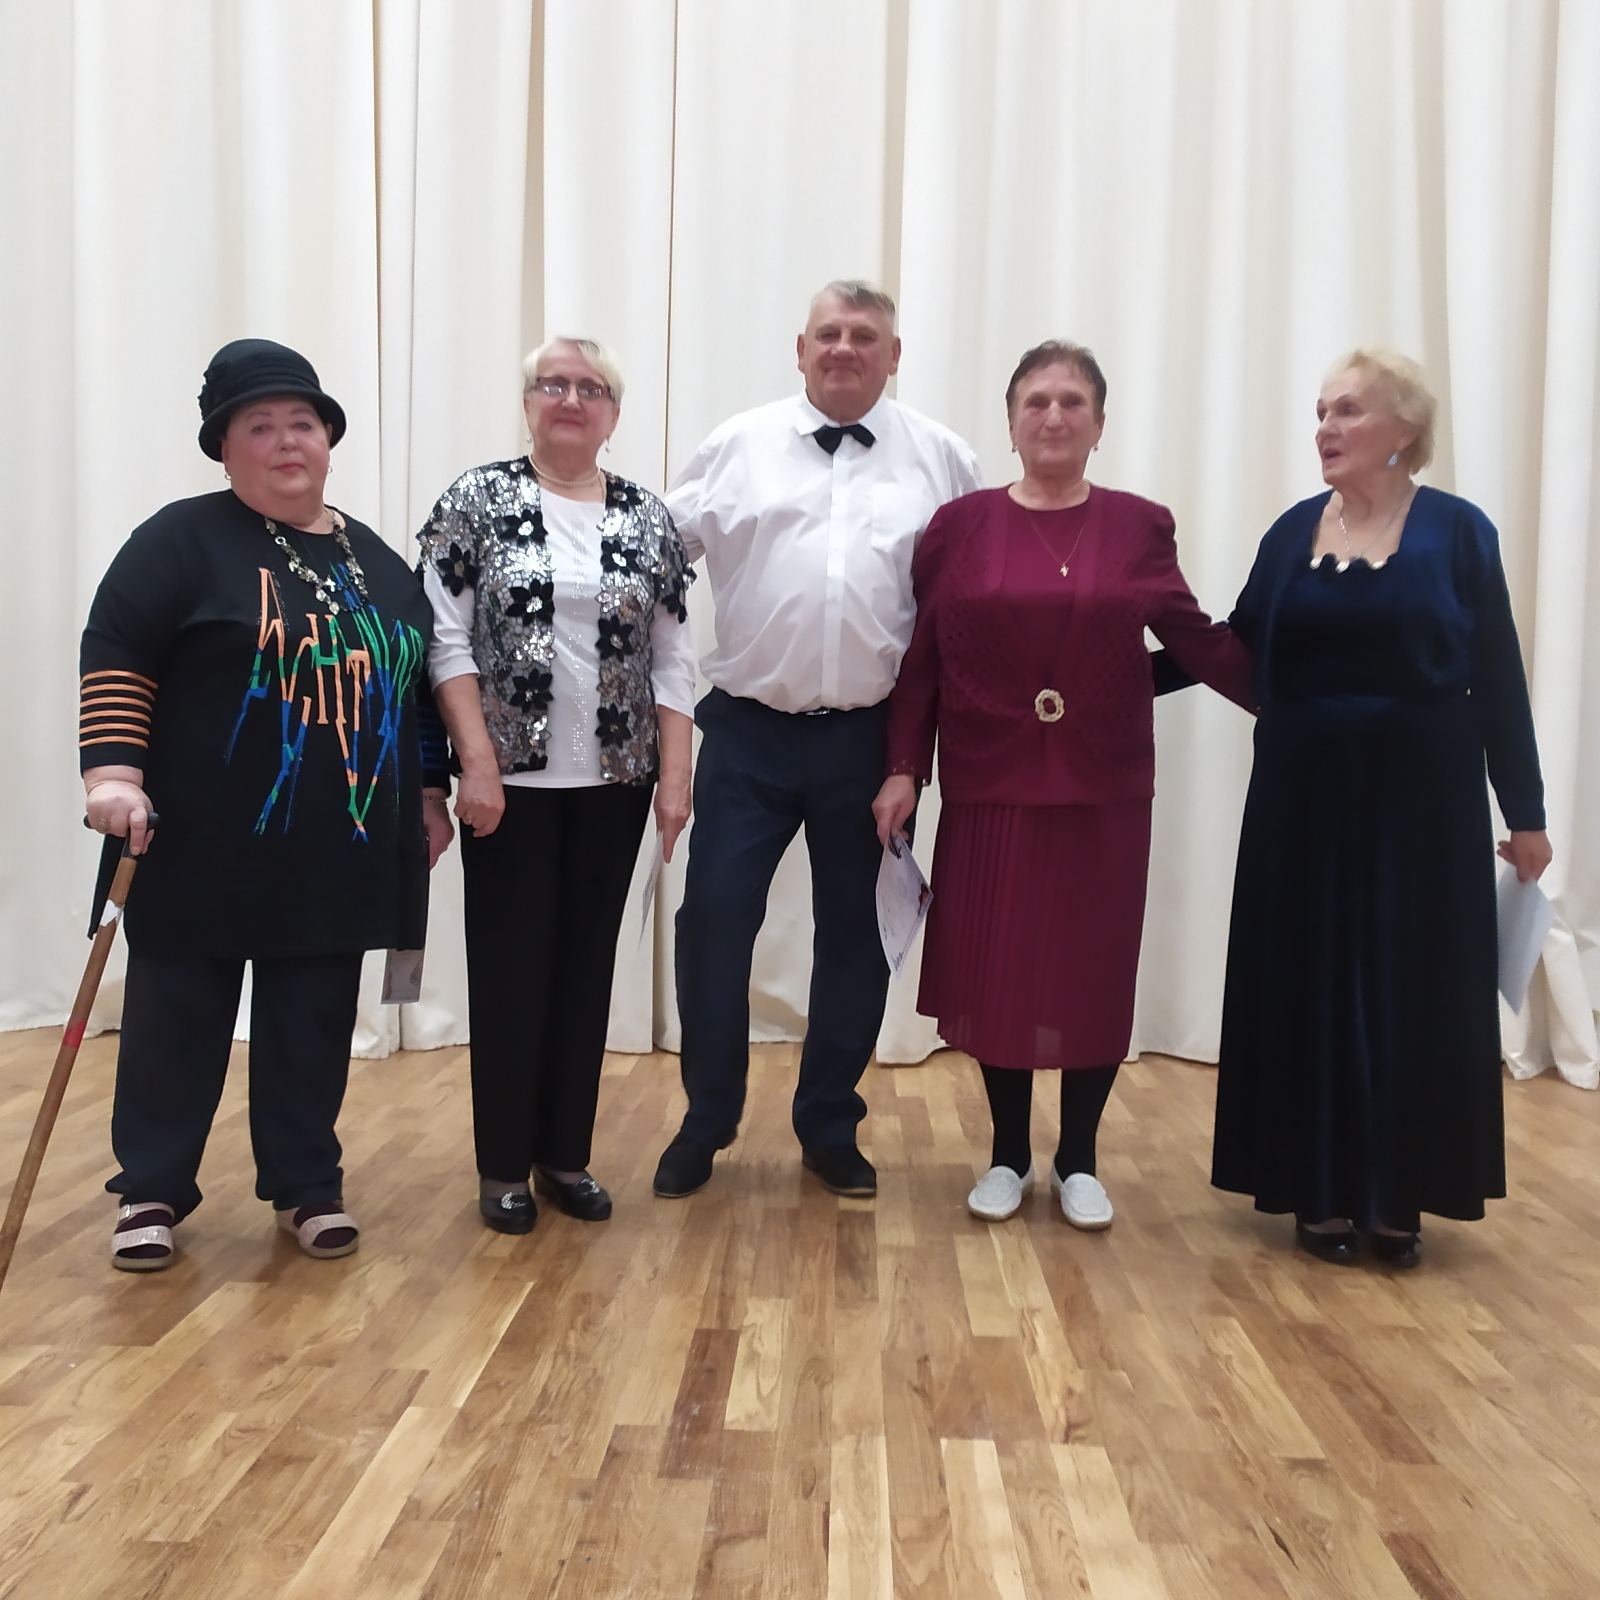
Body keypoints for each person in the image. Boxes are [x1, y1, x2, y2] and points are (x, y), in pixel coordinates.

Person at [80, 338, 453, 1271]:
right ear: (224, 448)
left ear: (328, 440)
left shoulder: (373, 557)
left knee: (312, 1022)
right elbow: (118, 646)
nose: (288, 442)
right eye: (261, 427)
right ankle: (151, 1188)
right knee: (177, 1020)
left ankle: (307, 1186)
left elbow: (412, 683)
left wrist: (428, 787)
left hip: (337, 846)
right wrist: (112, 774)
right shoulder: (180, 539)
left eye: (303, 423)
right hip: (198, 841)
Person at [873, 341, 1253, 1228]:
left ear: (1099, 424)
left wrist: (1295, 693)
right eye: (1036, 401)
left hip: (1102, 785)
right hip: (991, 781)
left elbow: (1192, 639)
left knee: (1092, 968)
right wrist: (903, 768)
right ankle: (1008, 1154)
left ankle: (1079, 1158)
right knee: (998, 966)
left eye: (1072, 402)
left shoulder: (1138, 525)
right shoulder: (959, 526)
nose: (1053, 416)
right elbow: (923, 663)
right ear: (1009, 424)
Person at [1207, 349, 1550, 1268]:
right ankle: (1316, 1190)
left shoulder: (1458, 532)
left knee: (1412, 984)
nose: (1325, 427)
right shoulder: (1292, 531)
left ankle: (1397, 1197)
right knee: (1307, 978)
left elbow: (1498, 675)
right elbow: (1237, 647)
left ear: (1405, 430)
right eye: (1321, 411)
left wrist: (1525, 813)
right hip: (1300, 798)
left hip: (1423, 801)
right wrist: (1105, 664)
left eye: (1348, 411)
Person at [652, 280, 983, 1200]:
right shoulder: (738, 444)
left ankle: (830, 1123)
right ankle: (707, 1120)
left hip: (872, 744)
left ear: (894, 354)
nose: (844, 347)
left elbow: (976, 599)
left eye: (864, 335)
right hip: (747, 734)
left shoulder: (944, 458)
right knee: (714, 923)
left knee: (856, 937)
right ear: (800, 349)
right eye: (828, 333)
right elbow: (655, 566)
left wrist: (921, 755)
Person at [419, 337, 696, 1232]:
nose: (571, 399)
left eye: (591, 388)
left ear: (613, 412)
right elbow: (445, 640)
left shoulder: (648, 517)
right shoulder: (476, 500)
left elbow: (673, 656)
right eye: (553, 384)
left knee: (585, 972)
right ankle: (504, 1164)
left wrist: (677, 778)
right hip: (509, 786)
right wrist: (476, 763)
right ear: (528, 402)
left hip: (617, 781)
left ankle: (564, 1156)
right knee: (511, 973)